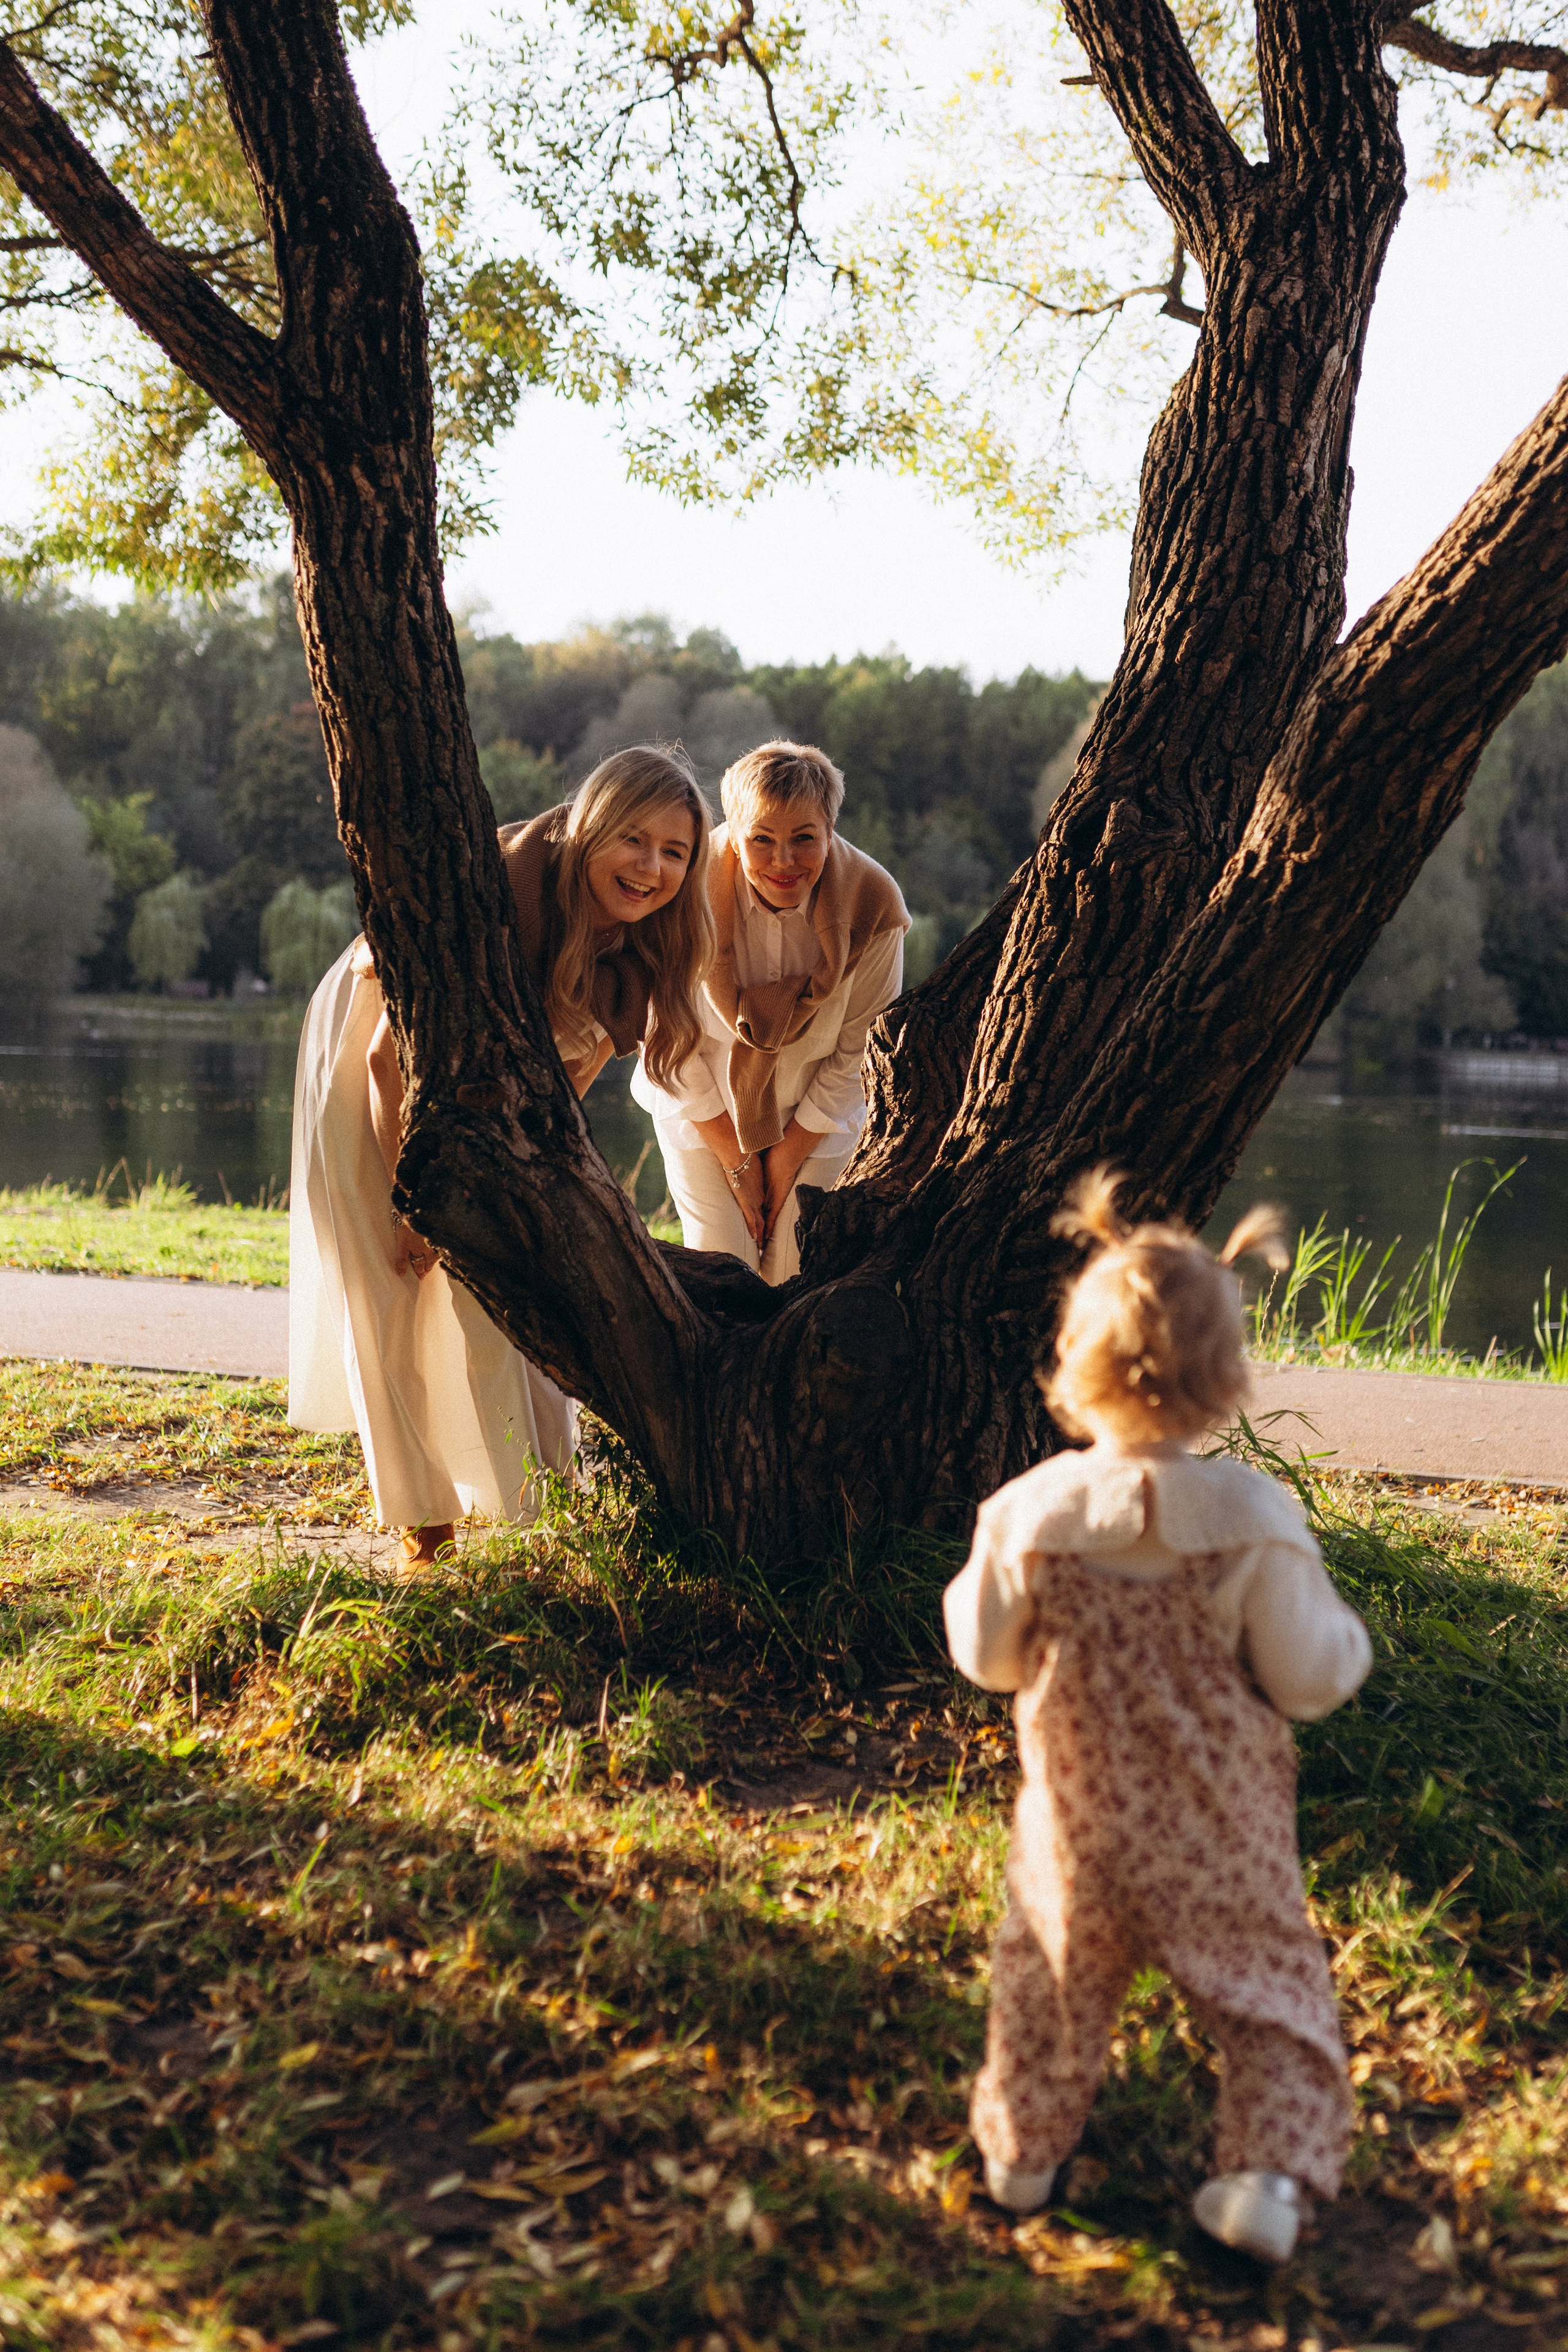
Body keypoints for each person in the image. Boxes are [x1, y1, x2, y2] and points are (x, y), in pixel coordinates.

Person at [943, 1169, 1373, 2261]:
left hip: (1075, 1837)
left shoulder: (1029, 1515)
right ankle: (1265, 2184)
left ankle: (1023, 2159)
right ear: (1226, 1382)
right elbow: (1311, 1677)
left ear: (1072, 1370)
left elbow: (986, 1657)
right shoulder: (1251, 1521)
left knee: (1045, 1984)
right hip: (1216, 1837)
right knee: (1272, 2000)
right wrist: (1350, 1639)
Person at [288, 747, 714, 1566]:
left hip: (479, 1079)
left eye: (676, 851)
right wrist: (416, 1206)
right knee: (393, 1280)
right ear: (590, 827)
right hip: (374, 1049)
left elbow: (574, 1070)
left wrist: (534, 1170)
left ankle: (541, 1498)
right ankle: (424, 1522)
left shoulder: (650, 935)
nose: (653, 866)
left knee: (511, 1286)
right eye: (634, 839)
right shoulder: (508, 898)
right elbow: (386, 1061)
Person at [632, 739, 908, 1284]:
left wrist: (781, 1165)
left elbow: (860, 1052)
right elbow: (668, 1035)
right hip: (703, 1104)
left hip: (818, 1112)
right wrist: (738, 1163)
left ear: (830, 832)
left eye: (804, 839)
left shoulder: (873, 903)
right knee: (724, 1273)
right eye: (762, 839)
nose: (784, 862)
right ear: (735, 836)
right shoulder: (686, 891)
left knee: (795, 1275)